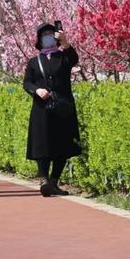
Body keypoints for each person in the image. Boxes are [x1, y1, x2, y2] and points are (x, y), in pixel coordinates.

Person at [23, 23, 81, 197]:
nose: (48, 38)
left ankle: (54, 181)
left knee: (62, 144)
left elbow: (74, 58)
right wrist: (36, 90)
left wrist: (65, 41)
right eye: (44, 35)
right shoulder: (34, 62)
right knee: (42, 143)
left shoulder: (63, 57)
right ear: (39, 39)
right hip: (41, 108)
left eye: (51, 34)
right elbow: (27, 82)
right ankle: (44, 180)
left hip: (62, 106)